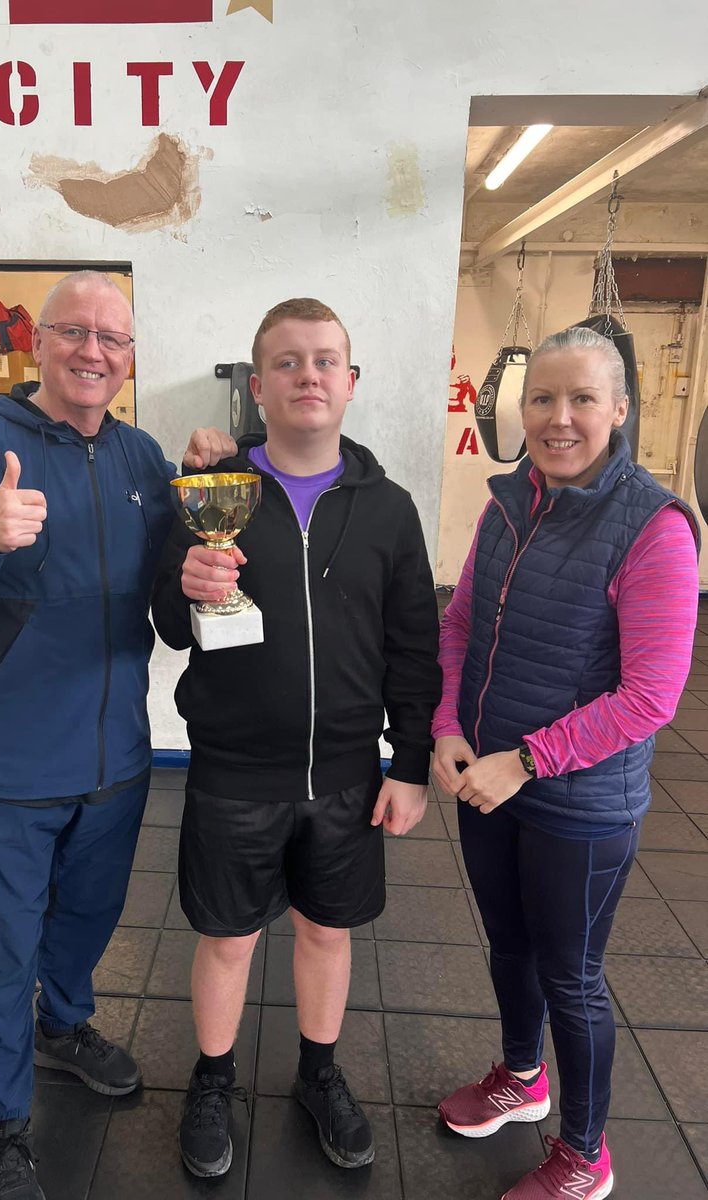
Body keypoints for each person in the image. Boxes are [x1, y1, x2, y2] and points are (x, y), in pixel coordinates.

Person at [0, 270, 235, 1200]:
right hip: (9, 762)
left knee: (87, 920)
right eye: (74, 332)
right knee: (1, 952)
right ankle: (6, 1124)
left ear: (129, 358)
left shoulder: (141, 458)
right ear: (39, 343)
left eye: (112, 339)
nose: (93, 352)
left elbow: (169, 611)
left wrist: (206, 517)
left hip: (116, 758)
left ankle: (66, 1024)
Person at [151, 297, 442, 1178]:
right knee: (229, 939)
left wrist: (413, 764)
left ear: (350, 384)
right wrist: (191, 585)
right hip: (236, 767)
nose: (308, 374)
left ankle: (318, 1073)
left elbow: (413, 644)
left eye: (325, 360)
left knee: (326, 931)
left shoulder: (388, 509)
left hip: (350, 772)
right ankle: (212, 1079)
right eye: (287, 362)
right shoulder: (213, 494)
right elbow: (167, 623)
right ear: (260, 387)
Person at [432, 326, 700, 1200]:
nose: (558, 418)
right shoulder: (508, 502)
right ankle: (523, 1078)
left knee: (571, 978)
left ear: (620, 410)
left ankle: (586, 1156)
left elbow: (649, 697)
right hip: (487, 780)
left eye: (582, 399)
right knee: (508, 944)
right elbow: (462, 623)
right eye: (542, 398)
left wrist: (527, 760)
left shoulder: (655, 528)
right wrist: (446, 726)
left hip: (580, 804)